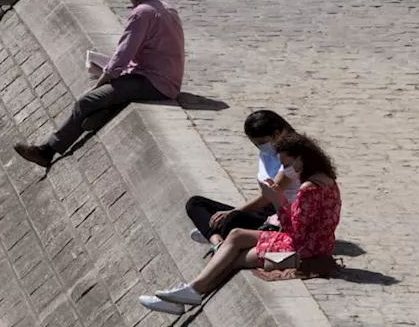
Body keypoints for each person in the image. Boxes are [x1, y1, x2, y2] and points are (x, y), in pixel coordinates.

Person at [140, 132, 341, 315]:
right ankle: (189, 292)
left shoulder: (308, 188)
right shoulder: (326, 179)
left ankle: (190, 292)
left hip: (302, 250)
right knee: (236, 234)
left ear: (301, 158)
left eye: (288, 164)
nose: (287, 170)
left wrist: (277, 200)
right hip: (315, 242)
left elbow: (294, 229)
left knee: (236, 259)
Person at [13, 0, 183, 167]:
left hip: (154, 82)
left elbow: (123, 54)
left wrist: (102, 81)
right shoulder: (167, 7)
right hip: (165, 76)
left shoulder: (140, 15)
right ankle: (98, 114)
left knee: (86, 101)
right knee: (103, 97)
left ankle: (47, 151)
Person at [185, 111, 299, 250]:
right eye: (256, 144)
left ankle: (211, 233)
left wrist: (232, 212)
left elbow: (269, 195)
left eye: (262, 143)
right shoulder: (266, 154)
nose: (260, 147)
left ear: (276, 134)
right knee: (195, 203)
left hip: (282, 215)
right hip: (265, 210)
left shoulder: (292, 157)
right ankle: (217, 242)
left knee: (234, 219)